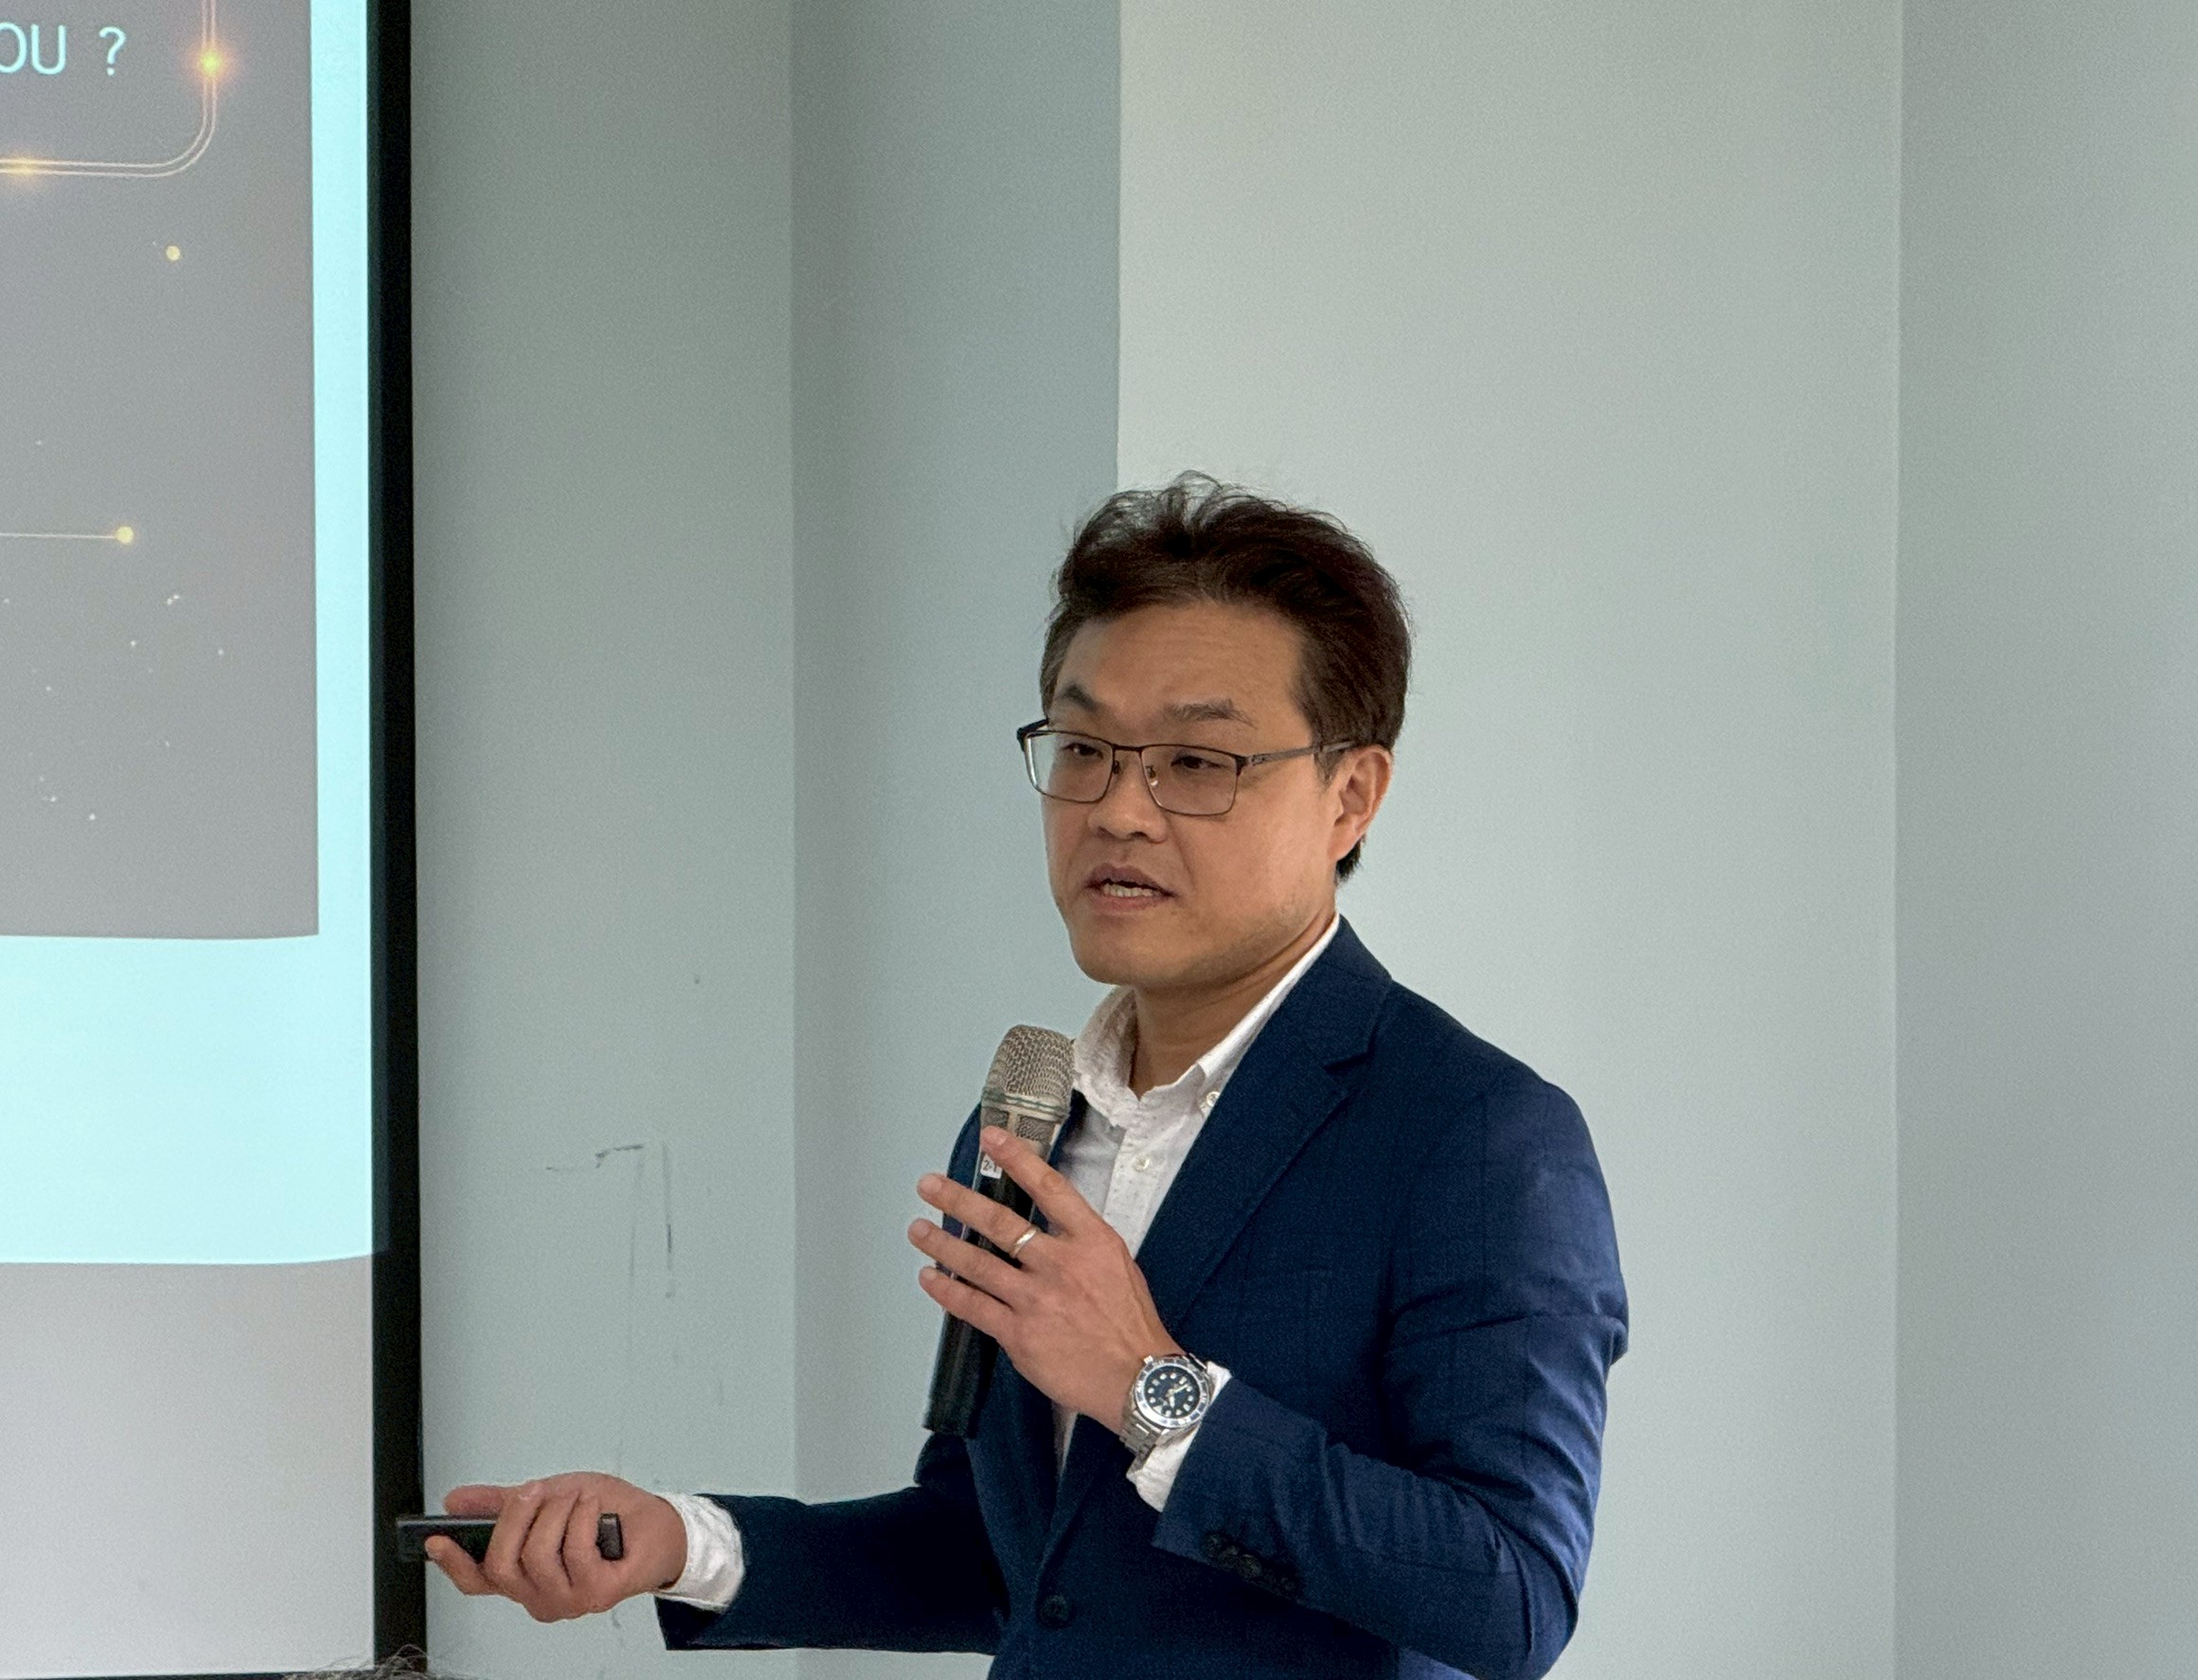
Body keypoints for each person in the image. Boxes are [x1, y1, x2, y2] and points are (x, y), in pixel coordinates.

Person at [427, 475, 1628, 1679]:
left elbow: (1513, 1594)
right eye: (1086, 749)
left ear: (1349, 796)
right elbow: (1003, 1561)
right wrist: (681, 1543)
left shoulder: (1477, 1137)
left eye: (1195, 761)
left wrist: (1150, 1390)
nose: (1119, 811)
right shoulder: (1029, 1119)